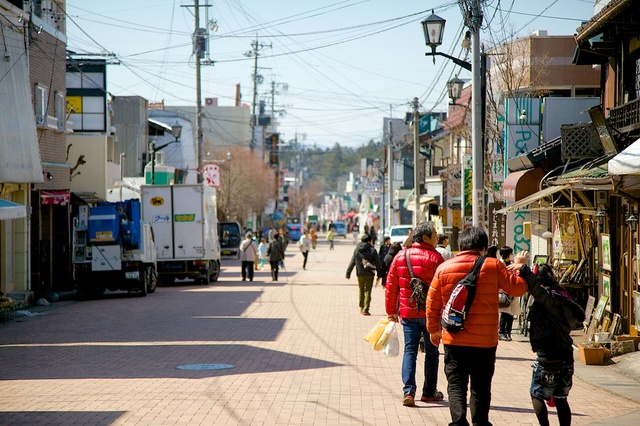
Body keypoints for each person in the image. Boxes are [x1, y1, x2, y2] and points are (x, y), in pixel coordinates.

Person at [426, 226, 530, 426]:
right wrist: (521, 266)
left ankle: (458, 422)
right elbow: (517, 289)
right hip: (485, 341)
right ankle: (480, 422)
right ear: (483, 247)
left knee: (456, 384)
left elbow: (432, 304)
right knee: (481, 386)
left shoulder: (444, 268)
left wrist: (433, 331)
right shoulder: (494, 265)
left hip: (454, 337)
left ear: (460, 245)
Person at [507, 262, 585, 426]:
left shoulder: (549, 298)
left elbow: (538, 292)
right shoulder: (562, 294)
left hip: (548, 355)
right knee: (561, 398)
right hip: (566, 355)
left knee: (536, 394)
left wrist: (524, 270)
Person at [385, 221, 445, 407]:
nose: (437, 237)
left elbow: (391, 286)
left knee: (410, 350)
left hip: (408, 313)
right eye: (435, 234)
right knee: (432, 352)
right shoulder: (436, 259)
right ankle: (429, 391)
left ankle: (408, 391)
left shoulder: (401, 256)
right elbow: (445, 287)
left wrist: (391, 311)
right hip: (431, 314)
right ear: (425, 237)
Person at [346, 233, 382, 316]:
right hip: (369, 273)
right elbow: (377, 263)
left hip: (360, 273)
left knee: (361, 290)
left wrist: (348, 273)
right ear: (369, 241)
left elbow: (352, 261)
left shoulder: (357, 249)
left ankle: (361, 308)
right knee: (368, 291)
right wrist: (379, 275)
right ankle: (366, 309)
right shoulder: (372, 250)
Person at [499, 246, 519, 341]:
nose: (512, 255)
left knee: (511, 314)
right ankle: (502, 332)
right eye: (510, 253)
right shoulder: (500, 264)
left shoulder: (512, 264)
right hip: (504, 292)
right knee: (504, 312)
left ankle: (508, 333)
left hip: (512, 292)